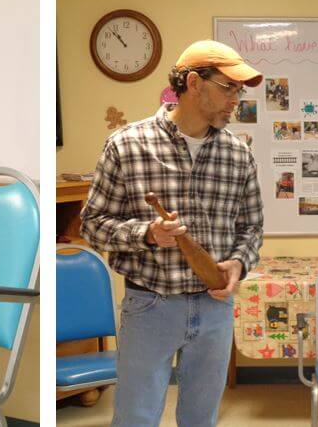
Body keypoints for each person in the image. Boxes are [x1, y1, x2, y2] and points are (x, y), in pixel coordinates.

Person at [81, 39, 265, 427]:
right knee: (136, 418)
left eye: (240, 90)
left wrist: (237, 264)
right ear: (194, 82)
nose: (237, 99)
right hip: (150, 306)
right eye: (228, 88)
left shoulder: (239, 153)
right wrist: (146, 233)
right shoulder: (126, 145)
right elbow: (92, 226)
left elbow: (251, 227)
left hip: (215, 308)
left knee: (201, 419)